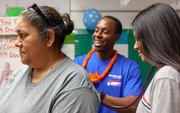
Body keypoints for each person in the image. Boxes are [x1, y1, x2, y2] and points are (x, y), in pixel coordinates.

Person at [0, 3, 100, 113]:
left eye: (22, 35)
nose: (16, 43)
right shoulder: (16, 76)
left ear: (49, 38)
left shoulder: (75, 85)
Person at [74, 16, 143, 113]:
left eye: (105, 32)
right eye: (96, 30)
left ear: (116, 37)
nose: (98, 35)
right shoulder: (77, 63)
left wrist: (99, 96)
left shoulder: (130, 67)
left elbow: (133, 106)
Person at [132, 3, 180, 113]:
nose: (135, 46)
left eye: (138, 39)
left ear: (154, 37)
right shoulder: (167, 73)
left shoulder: (167, 75)